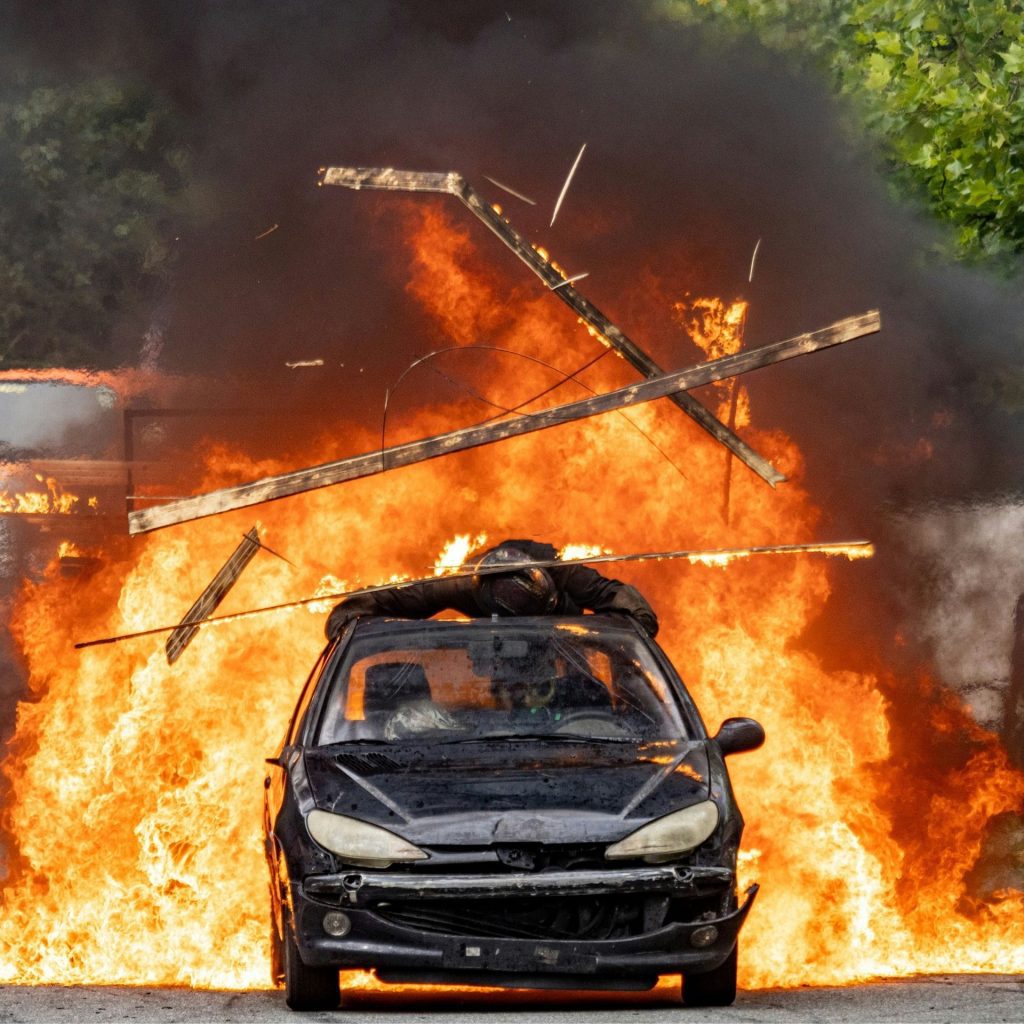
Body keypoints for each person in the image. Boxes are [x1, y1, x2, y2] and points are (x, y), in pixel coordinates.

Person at [325, 539, 658, 639]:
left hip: (564, 637)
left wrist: (629, 637)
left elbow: (616, 596)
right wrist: (345, 620)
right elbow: (397, 597)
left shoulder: (561, 568)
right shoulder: (459, 584)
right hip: (497, 641)